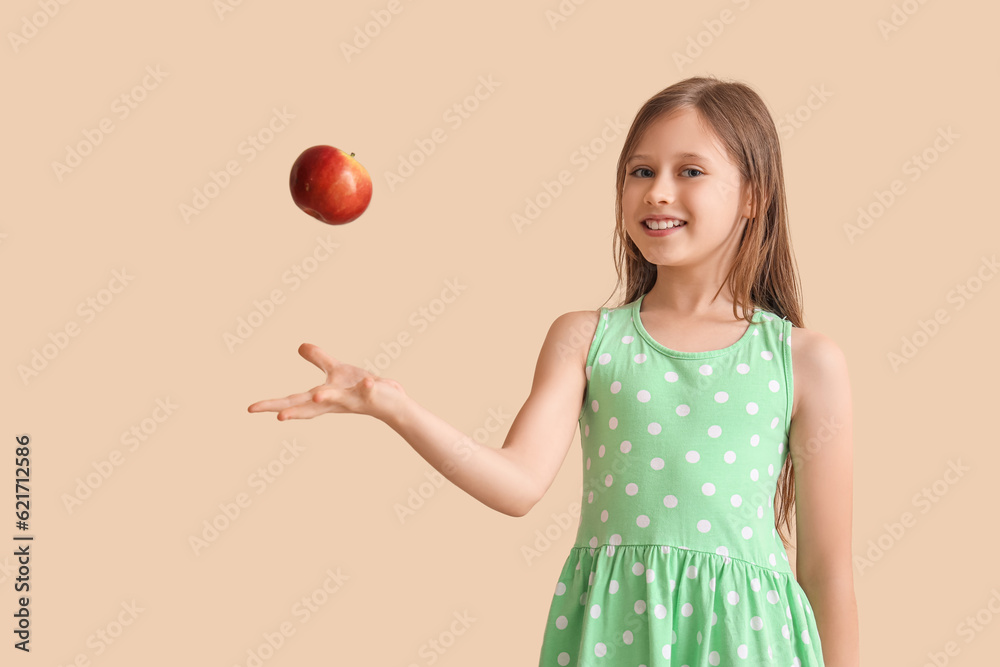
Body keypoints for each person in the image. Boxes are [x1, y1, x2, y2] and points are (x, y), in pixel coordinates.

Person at [247, 75, 859, 666]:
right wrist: (392, 406)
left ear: (755, 195)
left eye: (690, 171)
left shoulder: (804, 362)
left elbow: (827, 571)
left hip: (751, 644)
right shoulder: (586, 339)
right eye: (641, 171)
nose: (658, 192)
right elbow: (517, 483)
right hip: (616, 634)